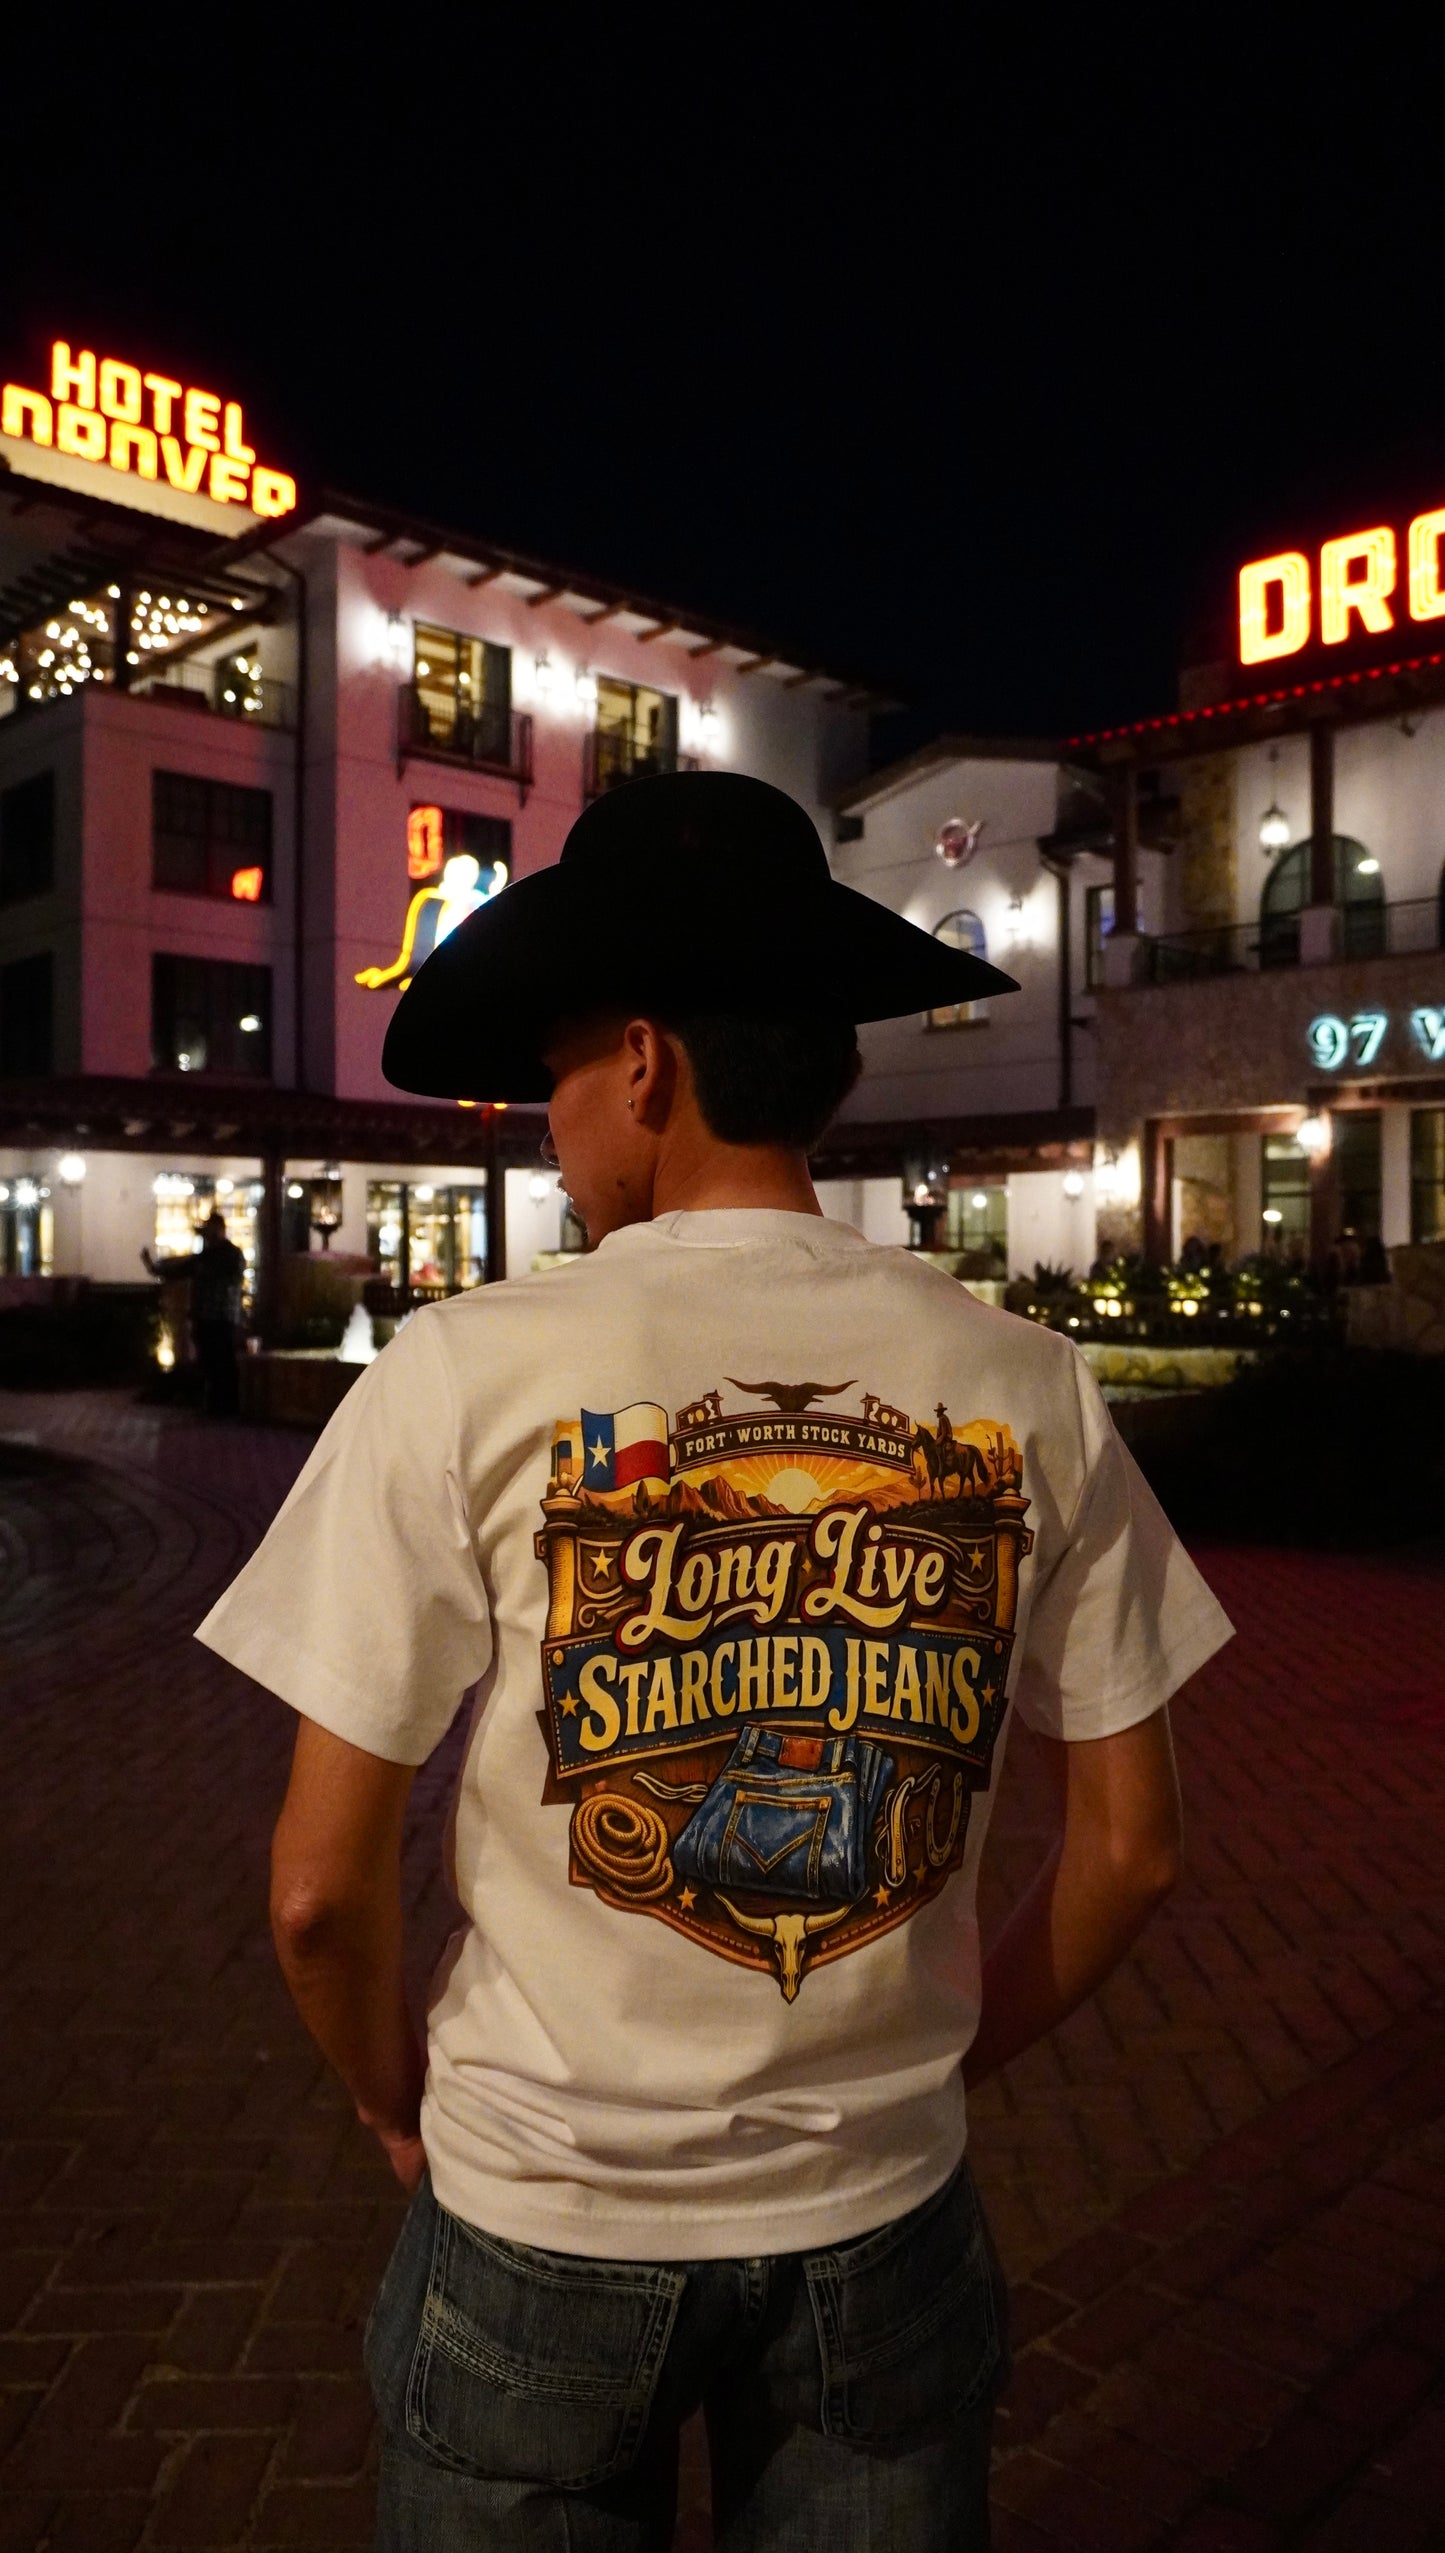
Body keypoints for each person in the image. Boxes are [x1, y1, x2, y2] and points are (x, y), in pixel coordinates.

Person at [197, 774, 1232, 2552]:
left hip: (541, 2216)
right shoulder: (1026, 1380)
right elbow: (1132, 1846)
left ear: (649, 1062)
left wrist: (388, 2090)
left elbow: (316, 1890)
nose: (551, 1119)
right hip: (886, 2217)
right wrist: (944, 2059)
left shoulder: (463, 1369)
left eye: (559, 1069)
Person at [143, 1208, 247, 1415]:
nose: (207, 1232)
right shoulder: (208, 1256)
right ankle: (216, 1405)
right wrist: (151, 1265)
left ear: (220, 1229)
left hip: (221, 1316)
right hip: (205, 1316)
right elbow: (175, 1270)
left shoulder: (230, 1255)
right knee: (210, 1361)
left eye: (211, 1228)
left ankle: (227, 1405)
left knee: (223, 1361)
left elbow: (230, 1278)